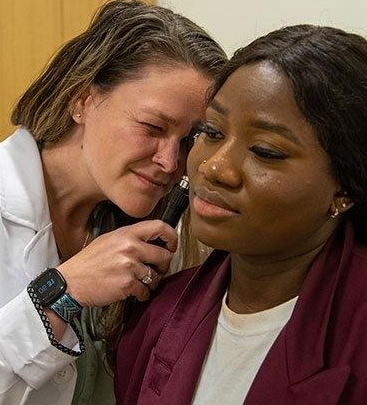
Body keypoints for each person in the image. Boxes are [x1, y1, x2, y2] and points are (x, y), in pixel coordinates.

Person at [0, 0, 227, 405]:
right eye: (153, 126)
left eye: (190, 140)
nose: (171, 162)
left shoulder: (158, 231)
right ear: (83, 101)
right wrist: (64, 291)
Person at [114, 24, 367, 404]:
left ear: (345, 188)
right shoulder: (157, 317)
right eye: (212, 132)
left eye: (265, 151)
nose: (214, 168)